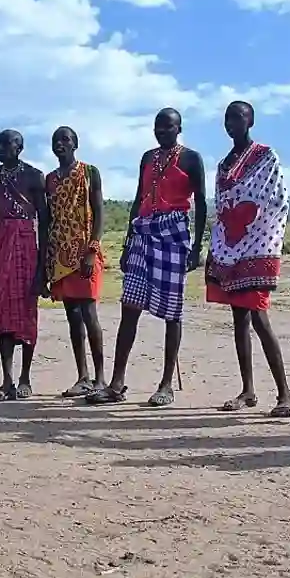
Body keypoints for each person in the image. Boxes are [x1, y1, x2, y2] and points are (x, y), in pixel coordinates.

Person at [87, 108, 206, 408]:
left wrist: (196, 248)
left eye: (168, 127)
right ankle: (116, 384)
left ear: (179, 128)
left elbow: (202, 203)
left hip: (173, 233)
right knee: (130, 306)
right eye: (157, 127)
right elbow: (139, 198)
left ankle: (166, 385)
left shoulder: (192, 159)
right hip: (143, 232)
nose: (162, 131)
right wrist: (128, 243)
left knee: (172, 311)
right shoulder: (147, 158)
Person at [205, 101, 290, 417]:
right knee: (239, 318)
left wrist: (258, 236)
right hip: (231, 246)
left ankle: (285, 396)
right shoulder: (224, 164)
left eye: (238, 117)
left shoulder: (265, 157)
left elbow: (275, 199)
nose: (232, 123)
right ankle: (248, 390)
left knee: (258, 316)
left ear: (251, 121)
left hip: (258, 244)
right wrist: (219, 246)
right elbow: (223, 206)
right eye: (228, 118)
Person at [0, 130, 48, 402]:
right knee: (3, 311)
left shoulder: (35, 176)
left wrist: (43, 264)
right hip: (0, 246)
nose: (1, 149)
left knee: (26, 311)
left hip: (25, 246)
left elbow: (44, 221)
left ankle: (25, 379)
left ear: (19, 148)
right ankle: (7, 380)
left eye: (7, 144)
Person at [45, 126, 107, 397]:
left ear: (75, 144)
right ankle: (82, 376)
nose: (61, 144)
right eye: (56, 141)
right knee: (72, 317)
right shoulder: (49, 179)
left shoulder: (90, 172)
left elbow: (99, 213)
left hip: (85, 253)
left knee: (89, 313)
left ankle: (101, 378)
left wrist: (92, 251)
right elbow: (48, 219)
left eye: (66, 139)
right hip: (60, 254)